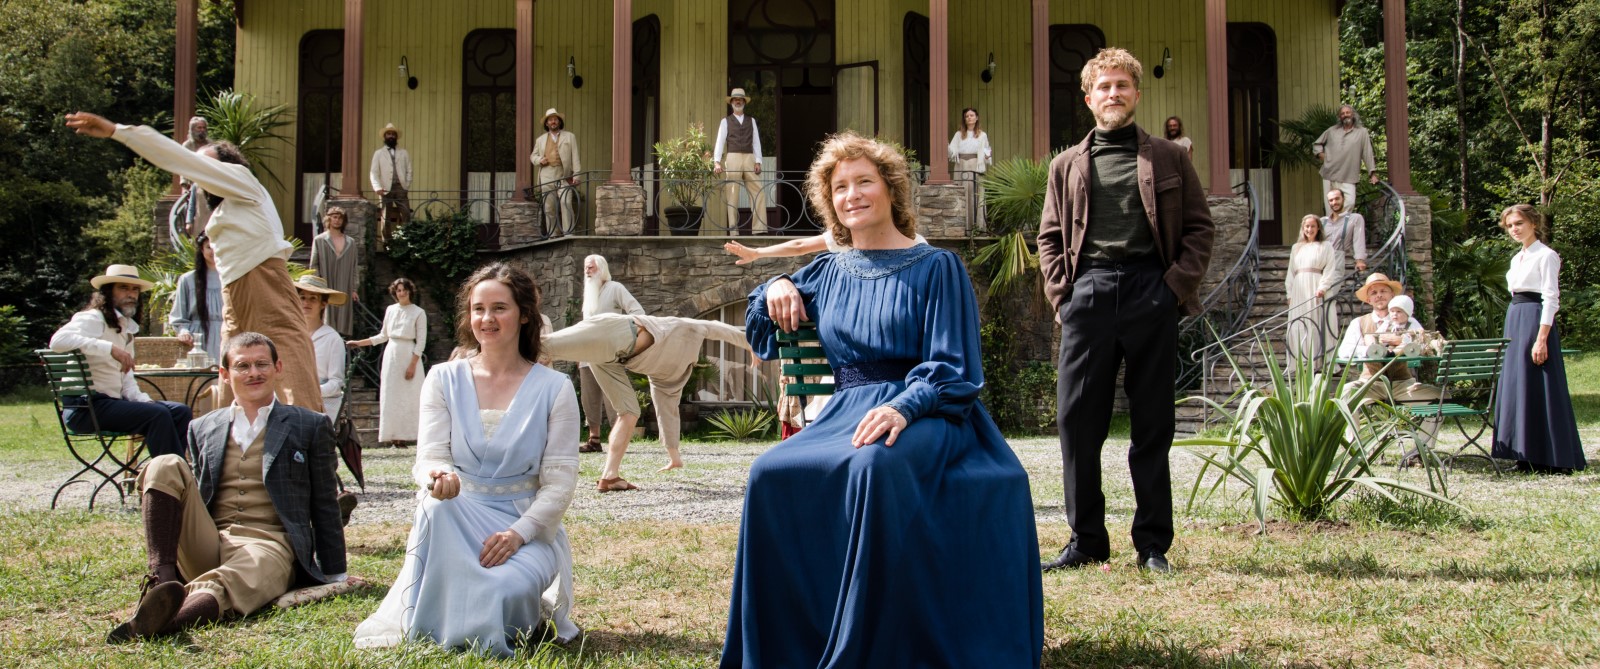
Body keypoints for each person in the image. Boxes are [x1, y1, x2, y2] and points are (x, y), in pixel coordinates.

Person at [721, 131, 1042, 667]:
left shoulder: (937, 267)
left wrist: (904, 407)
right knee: (767, 471)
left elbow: (954, 367)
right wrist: (775, 283)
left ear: (891, 188)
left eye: (864, 181)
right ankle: (787, 649)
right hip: (845, 413)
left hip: (931, 413)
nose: (852, 195)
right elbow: (761, 324)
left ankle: (870, 649)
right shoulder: (827, 271)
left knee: (874, 465)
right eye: (840, 187)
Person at [1037, 48, 1215, 574]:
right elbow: (1049, 236)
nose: (1113, 93)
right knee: (1076, 421)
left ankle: (1152, 544)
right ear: (1088, 98)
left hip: (1150, 290)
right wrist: (1063, 296)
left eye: (1122, 85)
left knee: (1152, 422)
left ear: (1137, 93)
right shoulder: (1066, 165)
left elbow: (1200, 229)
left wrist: (1173, 288)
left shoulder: (1169, 157)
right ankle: (1086, 541)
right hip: (1088, 291)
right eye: (1104, 86)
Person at [354, 263, 580, 655]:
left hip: (522, 525)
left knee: (503, 592)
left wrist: (518, 534)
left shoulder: (555, 388)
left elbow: (560, 483)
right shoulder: (443, 378)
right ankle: (447, 607)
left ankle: (498, 604)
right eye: (478, 309)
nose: (486, 319)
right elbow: (430, 456)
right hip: (456, 518)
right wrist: (438, 476)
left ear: (524, 315)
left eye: (499, 308)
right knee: (434, 507)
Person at [66, 111, 324, 414]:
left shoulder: (244, 182)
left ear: (229, 165)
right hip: (234, 289)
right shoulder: (226, 208)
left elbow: (183, 161)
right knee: (233, 364)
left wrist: (118, 131)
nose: (201, 171)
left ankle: (311, 435)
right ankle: (228, 439)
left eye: (206, 163)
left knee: (288, 355)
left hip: (263, 280)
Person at [107, 332, 346, 643]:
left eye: (262, 364)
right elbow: (196, 492)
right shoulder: (202, 426)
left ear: (278, 368)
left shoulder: (309, 424)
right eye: (242, 366)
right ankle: (160, 582)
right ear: (224, 373)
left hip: (270, 544)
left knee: (238, 576)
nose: (253, 373)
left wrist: (335, 572)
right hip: (211, 538)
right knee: (164, 463)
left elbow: (325, 501)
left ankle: (164, 621)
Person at [543, 314, 751, 489]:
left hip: (614, 359)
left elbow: (667, 411)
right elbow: (717, 328)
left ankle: (610, 476)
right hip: (619, 331)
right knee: (542, 346)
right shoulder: (687, 330)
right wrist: (751, 345)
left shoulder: (668, 379)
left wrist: (674, 456)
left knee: (629, 411)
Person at [49, 265, 193, 459]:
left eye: (135, 290)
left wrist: (145, 401)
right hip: (85, 408)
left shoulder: (125, 329)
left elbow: (127, 379)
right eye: (124, 288)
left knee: (180, 412)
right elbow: (57, 341)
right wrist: (109, 348)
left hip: (110, 404)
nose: (131, 294)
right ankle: (168, 474)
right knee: (157, 415)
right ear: (108, 292)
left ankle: (174, 469)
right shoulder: (93, 318)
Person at [1493, 205, 1585, 474]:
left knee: (1540, 384)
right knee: (1519, 386)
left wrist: (1541, 338)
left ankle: (1553, 458)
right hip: (1515, 320)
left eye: (1519, 223)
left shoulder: (1546, 256)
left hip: (1535, 322)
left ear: (1533, 223)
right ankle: (1525, 456)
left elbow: (1551, 298)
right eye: (1510, 225)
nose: (1514, 229)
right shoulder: (1516, 258)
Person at [577, 254, 644, 453]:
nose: (587, 271)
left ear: (602, 268)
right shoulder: (589, 293)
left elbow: (637, 312)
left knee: (613, 397)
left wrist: (624, 339)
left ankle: (619, 440)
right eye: (585, 268)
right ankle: (594, 439)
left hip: (610, 353)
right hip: (587, 354)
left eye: (591, 267)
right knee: (589, 398)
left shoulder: (615, 288)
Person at [1334, 273, 1436, 402]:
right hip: (1370, 384)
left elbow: (1425, 344)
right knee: (1346, 393)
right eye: (1374, 293)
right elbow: (1344, 351)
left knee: (1442, 397)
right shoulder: (1359, 323)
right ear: (1368, 300)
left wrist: (1403, 341)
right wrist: (1370, 350)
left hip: (1403, 385)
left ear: (1392, 295)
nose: (1379, 295)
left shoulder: (1408, 321)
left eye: (1383, 291)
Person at [349, 278, 426, 445]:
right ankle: (394, 436)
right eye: (399, 290)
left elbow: (421, 342)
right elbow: (382, 336)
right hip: (392, 355)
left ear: (410, 291)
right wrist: (359, 343)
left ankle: (410, 435)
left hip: (408, 354)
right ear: (395, 292)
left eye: (404, 290)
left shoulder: (418, 312)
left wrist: (412, 365)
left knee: (411, 396)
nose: (402, 293)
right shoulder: (390, 310)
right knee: (392, 396)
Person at [1285, 214, 1345, 365]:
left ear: (1318, 228)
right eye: (1307, 226)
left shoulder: (1326, 246)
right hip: (1299, 289)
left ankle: (1319, 362)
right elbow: (1291, 272)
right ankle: (1301, 363)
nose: (1309, 229)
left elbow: (1330, 268)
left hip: (1316, 286)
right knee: (1299, 323)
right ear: (1303, 228)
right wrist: (1289, 293)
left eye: (1313, 226)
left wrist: (1323, 287)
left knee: (1316, 322)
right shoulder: (1296, 248)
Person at [713, 88, 767, 234]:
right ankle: (733, 230)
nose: (738, 101)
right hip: (733, 157)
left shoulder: (751, 120)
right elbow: (720, 142)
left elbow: (756, 142)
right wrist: (717, 161)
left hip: (749, 158)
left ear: (744, 102)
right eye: (735, 99)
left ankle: (759, 229)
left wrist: (758, 161)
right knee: (732, 194)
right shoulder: (725, 121)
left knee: (758, 192)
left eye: (740, 99)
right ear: (731, 102)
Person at [296, 275, 348, 423]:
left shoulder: (332, 339)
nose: (306, 303)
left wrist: (310, 391)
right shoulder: (290, 336)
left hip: (321, 406)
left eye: (313, 298)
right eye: (302, 297)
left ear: (323, 304)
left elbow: (336, 383)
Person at [1312, 104, 1379, 217]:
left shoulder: (1362, 132)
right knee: (1330, 207)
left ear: (1353, 114)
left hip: (1349, 175)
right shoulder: (1332, 130)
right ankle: (1333, 226)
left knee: (1350, 202)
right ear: (1339, 117)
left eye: (1347, 112)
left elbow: (1367, 153)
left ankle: (1340, 223)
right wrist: (1320, 154)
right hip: (1329, 173)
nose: (1345, 115)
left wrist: (1372, 173)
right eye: (1342, 113)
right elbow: (1316, 144)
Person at [168, 233, 224, 364]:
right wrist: (183, 331)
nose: (213, 251)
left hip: (226, 337)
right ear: (201, 250)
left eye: (217, 246)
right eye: (209, 247)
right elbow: (179, 314)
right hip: (197, 340)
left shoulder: (231, 278)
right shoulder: (188, 279)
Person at [309, 206, 361, 336]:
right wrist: (317, 286)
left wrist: (354, 289)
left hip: (345, 285)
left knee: (343, 322)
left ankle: (341, 342)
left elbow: (354, 267)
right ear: (329, 219)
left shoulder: (350, 242)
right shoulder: (320, 240)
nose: (337, 220)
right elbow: (314, 265)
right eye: (335, 217)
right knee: (326, 318)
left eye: (340, 218)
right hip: (326, 284)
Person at [531, 108, 581, 234]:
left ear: (559, 121)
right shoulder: (540, 140)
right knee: (549, 207)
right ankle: (553, 235)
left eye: (555, 119)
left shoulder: (570, 137)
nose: (553, 121)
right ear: (546, 123)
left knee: (566, 203)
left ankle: (568, 234)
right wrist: (539, 160)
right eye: (550, 120)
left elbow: (575, 157)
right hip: (546, 174)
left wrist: (577, 175)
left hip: (564, 175)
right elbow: (533, 156)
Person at [370, 123, 413, 251]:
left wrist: (406, 185)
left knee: (406, 214)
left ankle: (406, 242)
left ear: (396, 137)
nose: (391, 136)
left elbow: (409, 170)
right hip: (385, 188)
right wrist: (377, 187)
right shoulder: (378, 153)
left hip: (400, 187)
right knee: (385, 216)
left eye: (393, 134)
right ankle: (387, 245)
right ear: (385, 136)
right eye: (389, 134)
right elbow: (374, 172)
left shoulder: (403, 153)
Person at [948, 106, 993, 226]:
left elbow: (986, 152)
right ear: (964, 119)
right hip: (961, 166)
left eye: (971, 115)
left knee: (975, 193)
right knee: (962, 193)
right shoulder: (958, 134)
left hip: (975, 166)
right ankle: (962, 225)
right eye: (967, 116)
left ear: (976, 118)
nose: (969, 118)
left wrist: (987, 156)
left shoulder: (982, 135)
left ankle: (977, 225)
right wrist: (946, 146)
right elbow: (951, 152)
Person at [175, 115, 214, 239]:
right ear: (192, 130)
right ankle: (189, 230)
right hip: (192, 181)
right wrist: (184, 185)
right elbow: (183, 166)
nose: (202, 130)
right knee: (189, 206)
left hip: (209, 181)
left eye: (203, 128)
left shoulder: (211, 144)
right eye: (199, 128)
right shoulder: (187, 146)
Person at [1322, 188, 1369, 273]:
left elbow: (1358, 240)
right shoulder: (1322, 221)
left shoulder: (1355, 218)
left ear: (1343, 199)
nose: (1334, 202)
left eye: (1337, 199)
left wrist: (1360, 260)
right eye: (1331, 200)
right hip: (1321, 262)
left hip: (1341, 261)